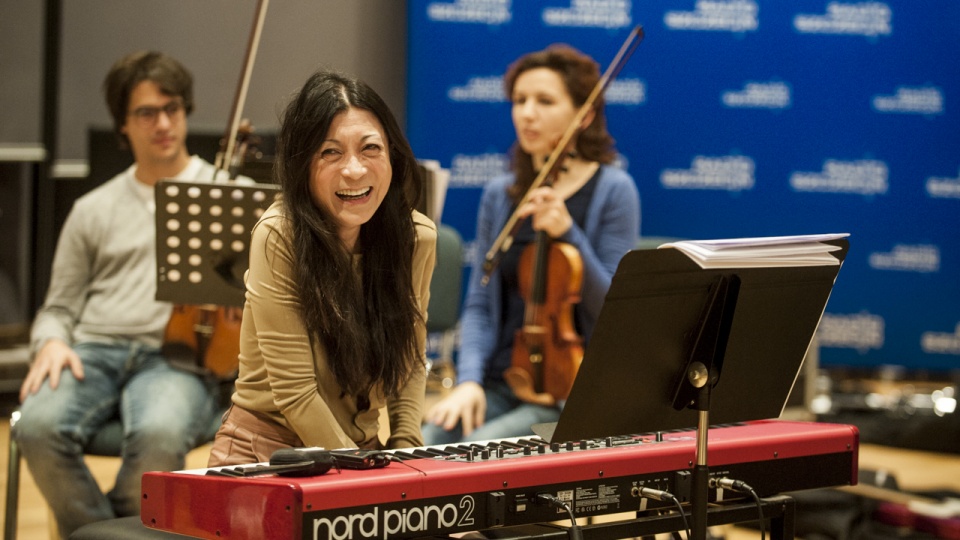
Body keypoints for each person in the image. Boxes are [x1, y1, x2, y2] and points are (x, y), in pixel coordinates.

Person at [13, 51, 231, 537]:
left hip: (175, 356)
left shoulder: (224, 194)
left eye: (172, 108)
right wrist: (49, 341)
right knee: (35, 427)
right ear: (123, 126)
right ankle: (101, 532)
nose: (163, 123)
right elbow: (59, 307)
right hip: (94, 350)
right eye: (146, 112)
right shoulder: (93, 208)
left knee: (160, 435)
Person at [207, 69, 436, 466]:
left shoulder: (417, 238)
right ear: (302, 165)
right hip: (269, 453)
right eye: (330, 152)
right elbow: (296, 393)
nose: (354, 170)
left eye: (370, 149)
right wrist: (361, 479)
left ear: (393, 157)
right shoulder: (279, 236)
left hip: (361, 455)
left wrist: (405, 451)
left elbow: (410, 361)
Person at [423, 44, 640, 444]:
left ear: (584, 114)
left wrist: (568, 232)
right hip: (500, 380)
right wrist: (468, 382)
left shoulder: (613, 189)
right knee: (427, 441)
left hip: (567, 393)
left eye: (544, 101)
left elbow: (615, 310)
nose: (526, 112)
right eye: (519, 100)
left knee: (477, 449)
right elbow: (479, 305)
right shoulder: (501, 194)